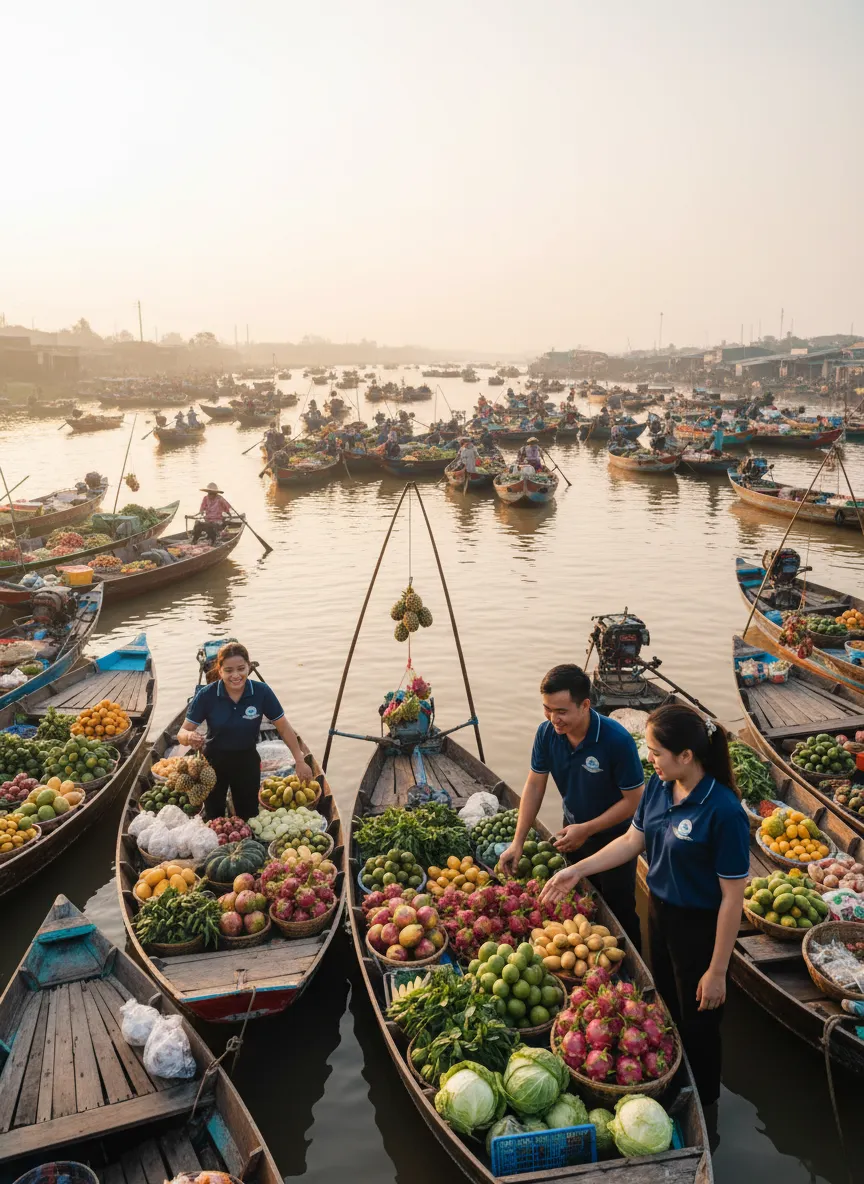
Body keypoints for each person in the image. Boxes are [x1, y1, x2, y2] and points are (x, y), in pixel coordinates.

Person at [540, 703, 749, 1106]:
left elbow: (732, 899)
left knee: (701, 1023)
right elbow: (632, 842)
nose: (649, 759)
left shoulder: (723, 811)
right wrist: (576, 871)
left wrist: (718, 970)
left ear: (686, 756)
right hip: (661, 914)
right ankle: (670, 1085)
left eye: (655, 751)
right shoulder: (659, 786)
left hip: (701, 929)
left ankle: (703, 1101)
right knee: (668, 1006)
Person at [499, 664, 645, 949]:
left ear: (585, 705)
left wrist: (588, 829)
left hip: (615, 839)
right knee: (578, 904)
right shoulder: (547, 734)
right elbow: (535, 786)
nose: (554, 718)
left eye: (562, 711)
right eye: (547, 709)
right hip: (573, 832)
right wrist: (518, 842)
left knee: (620, 908)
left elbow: (635, 801)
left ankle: (634, 965)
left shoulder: (616, 741)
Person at [178, 641, 313, 820]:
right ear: (219, 670)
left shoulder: (261, 692)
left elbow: (283, 727)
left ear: (249, 667)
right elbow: (181, 733)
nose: (236, 675)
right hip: (212, 764)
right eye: (228, 670)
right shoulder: (207, 695)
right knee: (213, 815)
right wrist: (189, 736)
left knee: (249, 815)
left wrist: (299, 759)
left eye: (241, 668)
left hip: (247, 761)